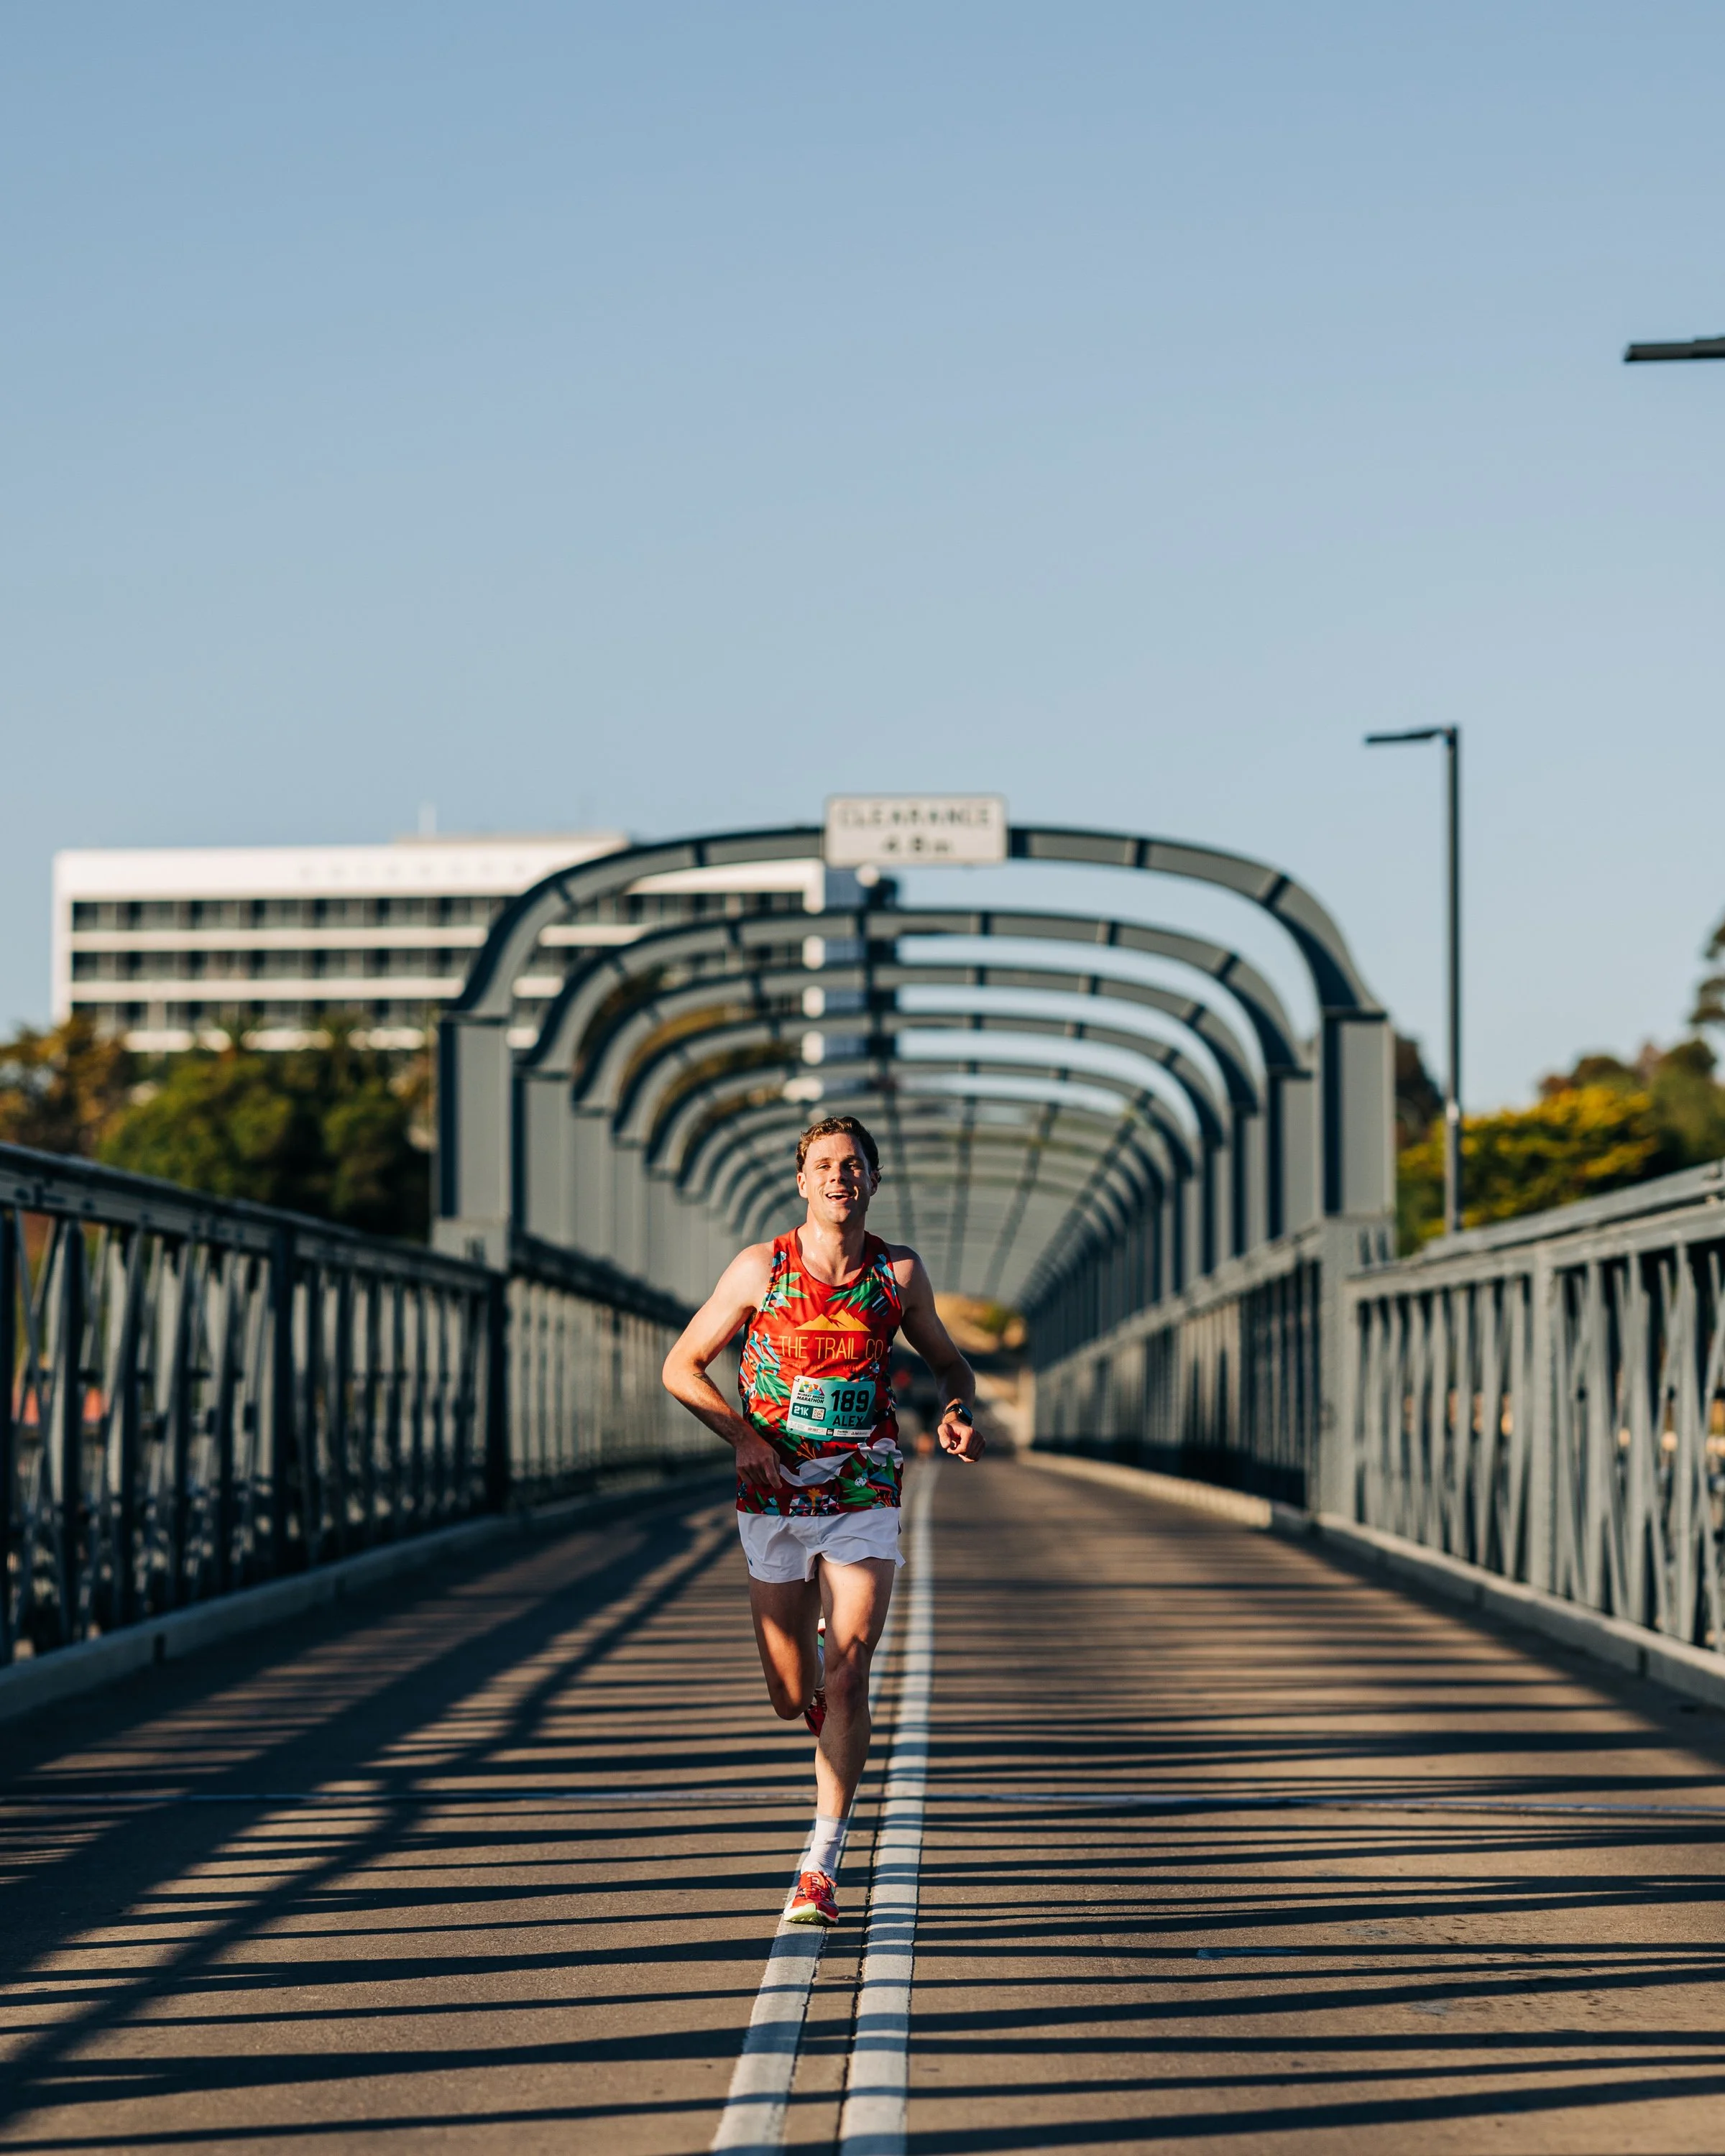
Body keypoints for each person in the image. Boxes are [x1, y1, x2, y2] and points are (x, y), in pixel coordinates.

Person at [661, 1113, 982, 1926]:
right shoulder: (759, 1269)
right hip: (773, 1495)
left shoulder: (898, 1274)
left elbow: (949, 1360)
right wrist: (742, 1437)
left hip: (862, 1489)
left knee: (850, 1668)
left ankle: (820, 1865)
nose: (841, 1177)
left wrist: (955, 1406)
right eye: (825, 1166)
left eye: (854, 1165)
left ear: (875, 1181)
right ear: (802, 1182)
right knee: (788, 1692)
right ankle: (809, 1692)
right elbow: (680, 1366)